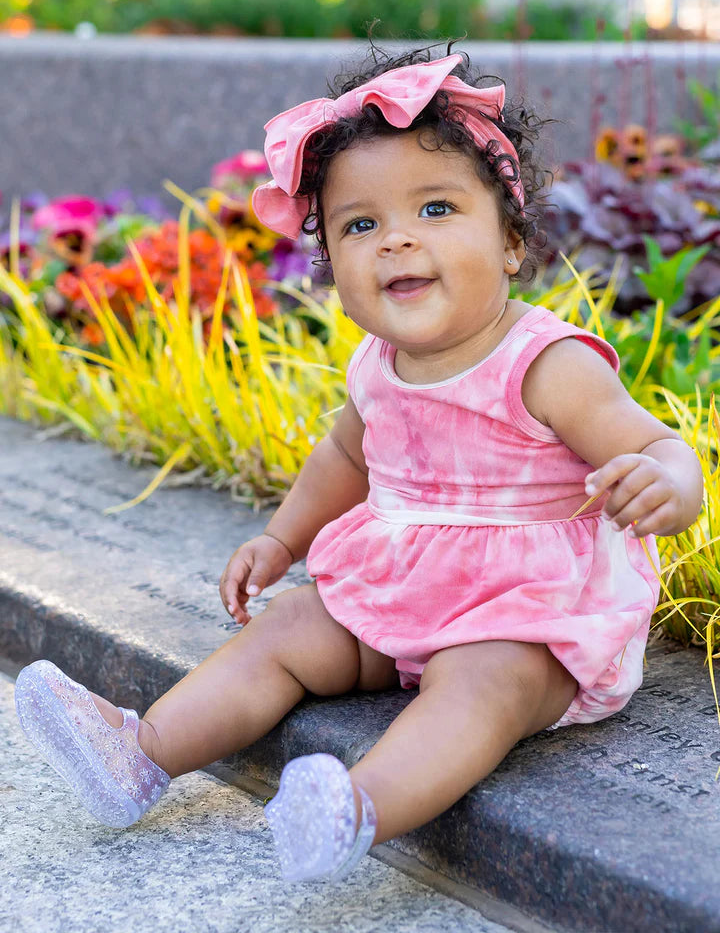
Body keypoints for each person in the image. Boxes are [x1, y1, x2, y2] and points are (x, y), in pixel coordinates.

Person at [15, 45, 704, 884]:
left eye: (438, 208)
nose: (397, 240)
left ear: (514, 242)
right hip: (404, 582)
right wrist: (282, 539)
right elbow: (348, 451)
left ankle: (357, 806)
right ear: (331, 261)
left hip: (529, 615)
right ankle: (141, 752)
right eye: (360, 224)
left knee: (479, 687)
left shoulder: (547, 364)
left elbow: (663, 446)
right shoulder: (378, 363)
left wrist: (666, 482)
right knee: (288, 630)